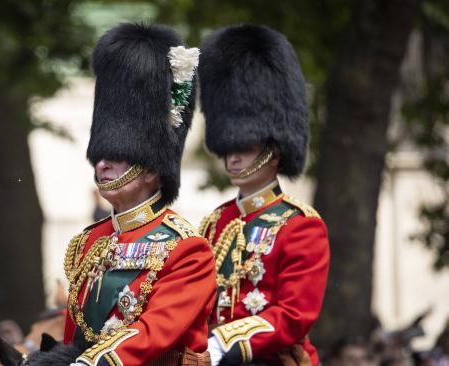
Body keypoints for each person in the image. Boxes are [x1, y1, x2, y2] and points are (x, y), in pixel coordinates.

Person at [62, 23, 217, 365]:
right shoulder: (90, 242)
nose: (101, 165)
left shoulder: (186, 250)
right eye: (100, 156)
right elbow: (74, 338)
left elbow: (153, 333)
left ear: (150, 168)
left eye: (115, 157)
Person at [198, 24, 330, 365]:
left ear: (273, 151)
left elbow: (294, 314)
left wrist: (225, 342)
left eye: (244, 147)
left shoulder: (299, 225)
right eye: (229, 148)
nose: (233, 157)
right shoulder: (215, 223)